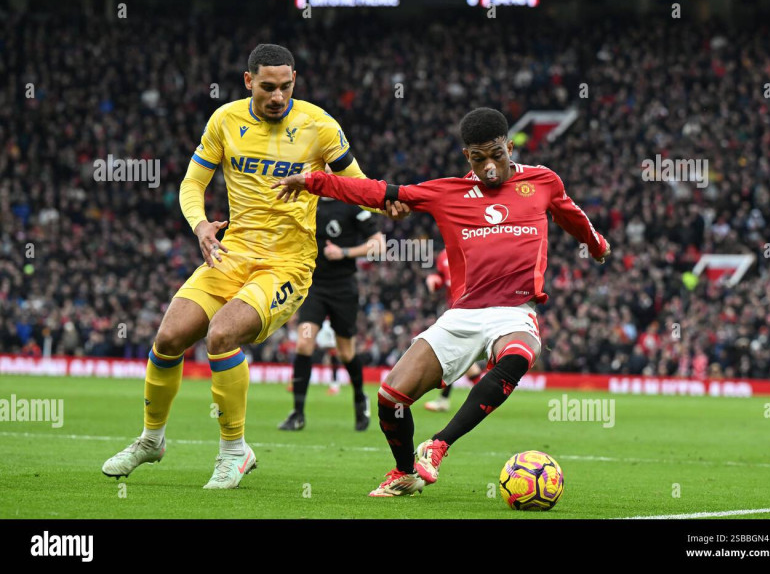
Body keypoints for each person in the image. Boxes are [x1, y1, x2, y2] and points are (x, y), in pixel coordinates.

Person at [273, 107, 611, 497]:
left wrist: (597, 245)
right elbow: (382, 192)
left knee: (518, 355)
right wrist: (314, 181)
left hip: (514, 312)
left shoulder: (542, 181)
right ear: (467, 156)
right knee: (391, 397)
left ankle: (438, 445)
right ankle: (404, 472)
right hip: (463, 314)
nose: (488, 167)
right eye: (479, 157)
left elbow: (572, 216)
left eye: (496, 155)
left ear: (511, 146)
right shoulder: (446, 192)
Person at [101, 44, 389, 489]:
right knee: (169, 336)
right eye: (268, 87)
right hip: (231, 252)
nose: (278, 96)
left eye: (286, 86)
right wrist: (200, 227)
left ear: (295, 80)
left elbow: (360, 187)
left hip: (287, 263)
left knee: (221, 334)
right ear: (248, 81)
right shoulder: (225, 120)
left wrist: (387, 198)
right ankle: (151, 440)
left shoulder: (319, 125)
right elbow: (192, 183)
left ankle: (235, 451)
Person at [278, 190, 385, 432]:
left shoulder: (351, 204)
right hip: (313, 287)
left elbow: (379, 245)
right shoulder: (305, 202)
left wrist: (344, 253)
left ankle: (359, 398)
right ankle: (297, 413)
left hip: (343, 288)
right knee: (304, 344)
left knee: (346, 352)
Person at [424, 250, 483, 412]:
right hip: (455, 311)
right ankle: (485, 394)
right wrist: (435, 280)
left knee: (454, 355)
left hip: (472, 311)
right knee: (459, 357)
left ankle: (485, 394)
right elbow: (441, 278)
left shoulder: (474, 249)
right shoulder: (443, 256)